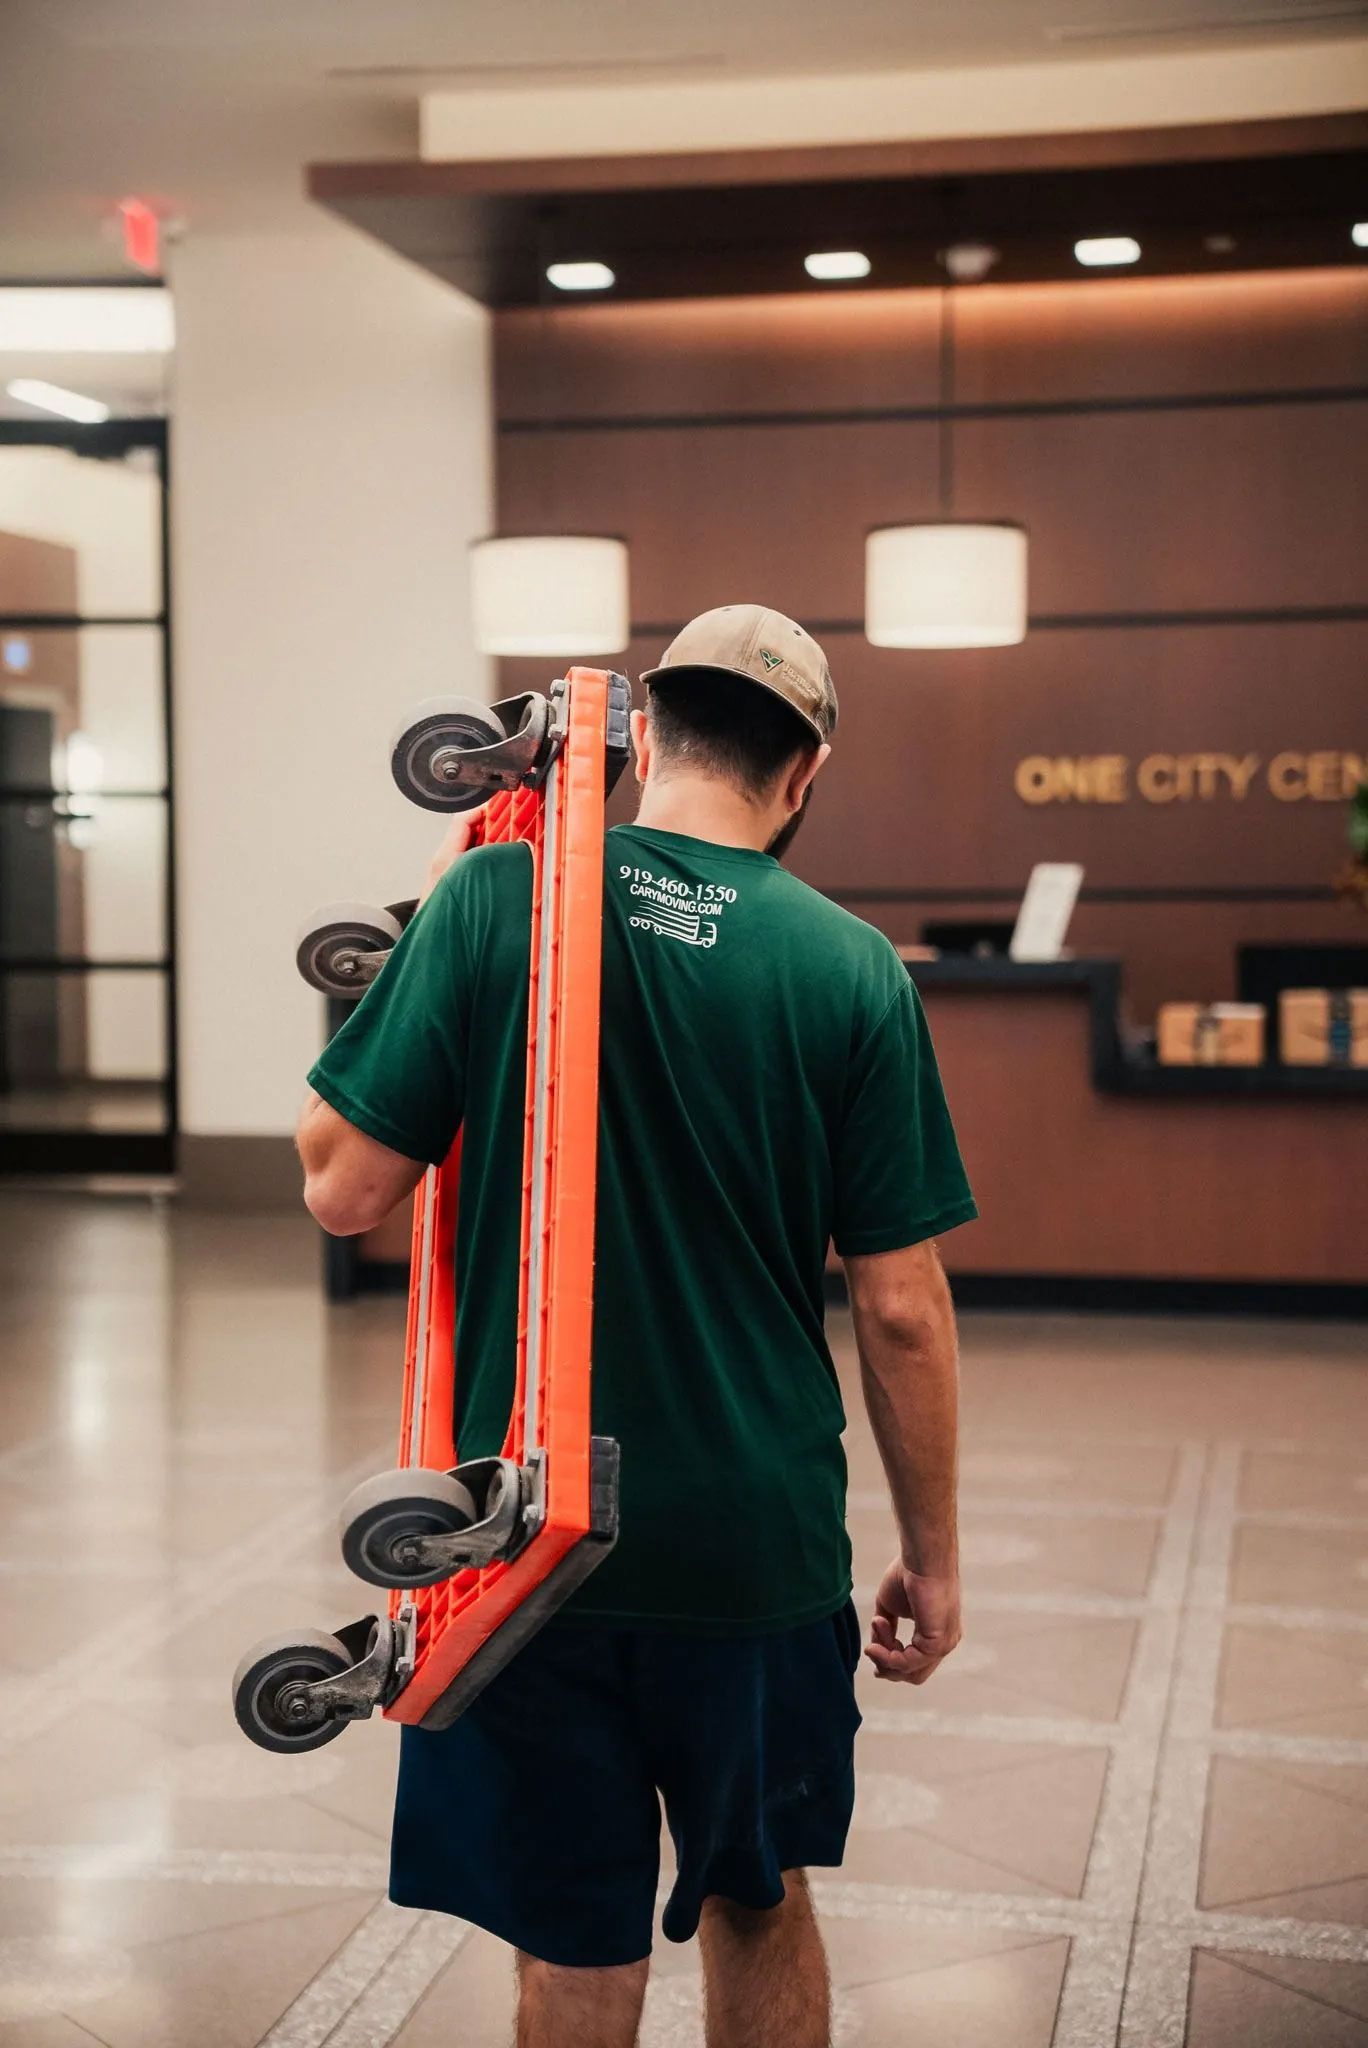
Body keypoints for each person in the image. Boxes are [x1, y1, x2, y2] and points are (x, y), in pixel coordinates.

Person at [298, 602, 976, 2048]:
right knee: (763, 1898)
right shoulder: (854, 969)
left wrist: (434, 897)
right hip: (757, 1547)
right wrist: (934, 1554)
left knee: (571, 1949)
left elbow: (342, 1188)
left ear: (649, 733)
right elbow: (903, 1309)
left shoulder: (494, 905)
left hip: (520, 1541)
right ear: (804, 776)